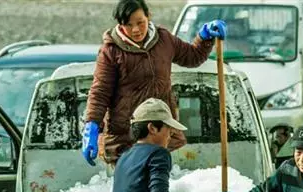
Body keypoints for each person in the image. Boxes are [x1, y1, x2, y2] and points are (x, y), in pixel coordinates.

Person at [82, 0, 226, 166]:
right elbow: (100, 92)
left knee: (159, 184)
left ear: (148, 16)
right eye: (128, 25)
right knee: (134, 187)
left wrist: (204, 37)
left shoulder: (164, 39)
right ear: (120, 24)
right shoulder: (111, 51)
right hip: (126, 136)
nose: (135, 30)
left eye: (140, 23)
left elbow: (192, 57)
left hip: (161, 132)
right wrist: (91, 125)